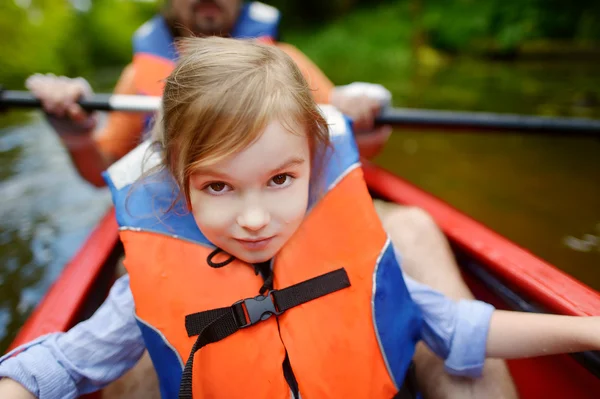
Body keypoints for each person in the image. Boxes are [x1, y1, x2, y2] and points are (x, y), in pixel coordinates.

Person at [2, 37, 599, 399]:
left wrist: (583, 330)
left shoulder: (359, 262)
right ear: (181, 188)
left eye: (280, 179)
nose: (256, 218)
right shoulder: (142, 297)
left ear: (312, 171)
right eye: (218, 186)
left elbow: (466, 328)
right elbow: (60, 364)